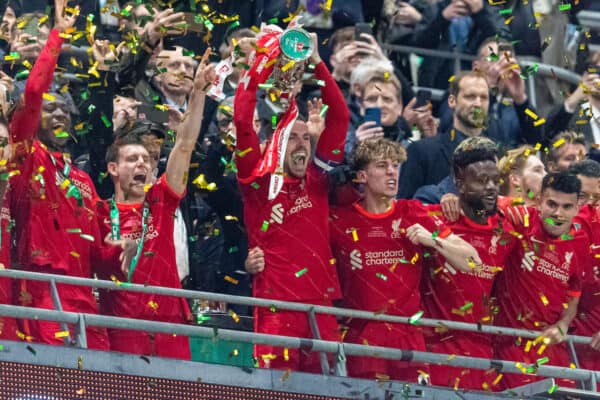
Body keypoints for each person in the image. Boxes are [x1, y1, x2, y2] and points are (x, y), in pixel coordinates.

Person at [8, 0, 130, 349]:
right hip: (42, 293)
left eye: (64, 108)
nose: (59, 113)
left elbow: (97, 259)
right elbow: (33, 92)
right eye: (50, 108)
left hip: (85, 300)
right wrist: (57, 35)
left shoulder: (84, 179)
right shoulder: (26, 157)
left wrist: (118, 251)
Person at [235, 32, 349, 372]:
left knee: (332, 392)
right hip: (275, 307)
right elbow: (242, 120)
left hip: (323, 307)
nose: (301, 145)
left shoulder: (317, 178)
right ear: (275, 145)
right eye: (292, 138)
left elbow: (340, 116)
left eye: (305, 137)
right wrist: (261, 60)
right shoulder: (257, 183)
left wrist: (315, 59)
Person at [94, 49, 215, 360]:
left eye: (147, 160)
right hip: (120, 325)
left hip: (169, 324)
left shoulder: (160, 200)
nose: (142, 165)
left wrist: (199, 92)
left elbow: (185, 145)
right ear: (112, 169)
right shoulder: (97, 212)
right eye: (132, 159)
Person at [329, 137, 481, 382]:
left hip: (409, 338)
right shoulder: (339, 220)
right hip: (363, 340)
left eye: (395, 164)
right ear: (361, 176)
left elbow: (474, 262)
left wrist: (434, 241)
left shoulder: (412, 212)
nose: (392, 172)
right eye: (381, 165)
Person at [422, 137, 517, 390]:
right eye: (481, 180)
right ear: (459, 181)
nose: (490, 188)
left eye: (495, 180)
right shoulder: (434, 220)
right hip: (436, 351)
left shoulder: (509, 230)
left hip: (484, 354)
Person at [494, 171, 589, 389]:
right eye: (552, 204)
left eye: (567, 207)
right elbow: (484, 206)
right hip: (511, 344)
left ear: (577, 207)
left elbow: (574, 294)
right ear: (539, 201)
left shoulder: (581, 241)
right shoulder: (522, 220)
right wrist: (450, 198)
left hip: (552, 347)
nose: (558, 213)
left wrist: (564, 324)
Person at [438, 37, 544, 151]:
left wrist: (521, 100)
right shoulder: (459, 93)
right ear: (476, 67)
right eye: (493, 59)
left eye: (506, 61)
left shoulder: (514, 109)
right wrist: (489, 89)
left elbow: (537, 141)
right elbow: (448, 126)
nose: (499, 67)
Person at [398, 70, 490, 199]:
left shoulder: (498, 155)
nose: (478, 104)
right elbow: (404, 208)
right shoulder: (422, 151)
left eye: (484, 97)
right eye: (470, 96)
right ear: (452, 101)